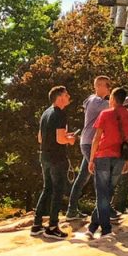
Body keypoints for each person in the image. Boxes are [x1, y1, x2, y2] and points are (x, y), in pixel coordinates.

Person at [66, 75, 128, 219]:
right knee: (101, 176)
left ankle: (73, 210)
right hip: (90, 143)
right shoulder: (95, 102)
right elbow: (118, 103)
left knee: (83, 178)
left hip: (92, 143)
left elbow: (118, 102)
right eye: (107, 85)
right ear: (98, 86)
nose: (110, 88)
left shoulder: (97, 101)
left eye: (110, 85)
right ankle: (102, 210)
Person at [88, 86, 128, 239]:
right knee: (108, 192)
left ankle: (105, 230)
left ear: (113, 99)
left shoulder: (105, 114)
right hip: (120, 158)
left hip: (103, 155)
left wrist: (91, 159)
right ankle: (92, 227)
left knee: (102, 193)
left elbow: (96, 138)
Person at [32, 85, 77, 239]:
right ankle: (52, 226)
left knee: (47, 189)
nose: (69, 96)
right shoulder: (60, 114)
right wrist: (70, 140)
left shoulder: (46, 113)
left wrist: (63, 136)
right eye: (66, 94)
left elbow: (40, 138)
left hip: (44, 156)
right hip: (57, 158)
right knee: (57, 191)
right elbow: (60, 139)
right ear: (60, 97)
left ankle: (36, 225)